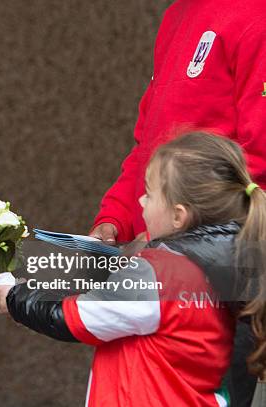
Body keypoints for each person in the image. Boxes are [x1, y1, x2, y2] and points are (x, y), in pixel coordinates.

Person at [0, 133, 266, 406]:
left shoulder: (159, 273)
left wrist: (16, 296)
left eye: (149, 193)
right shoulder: (224, 272)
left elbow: (75, 318)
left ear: (178, 215)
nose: (141, 202)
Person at [87, 1, 266, 404]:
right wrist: (114, 219)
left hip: (213, 279)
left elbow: (259, 159)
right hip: (151, 269)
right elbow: (147, 147)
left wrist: (163, 234)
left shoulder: (257, 15)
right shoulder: (177, 14)